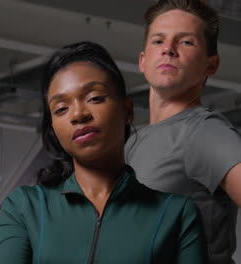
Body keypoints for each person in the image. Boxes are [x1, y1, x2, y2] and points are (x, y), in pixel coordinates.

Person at [0, 41, 207, 263]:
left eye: (94, 98)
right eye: (61, 109)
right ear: (54, 129)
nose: (78, 114)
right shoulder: (25, 208)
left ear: (127, 111)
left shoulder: (177, 214)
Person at [125, 0, 241, 263]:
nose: (168, 50)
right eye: (158, 41)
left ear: (211, 65)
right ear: (142, 61)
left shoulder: (204, 131)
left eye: (186, 42)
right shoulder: (132, 143)